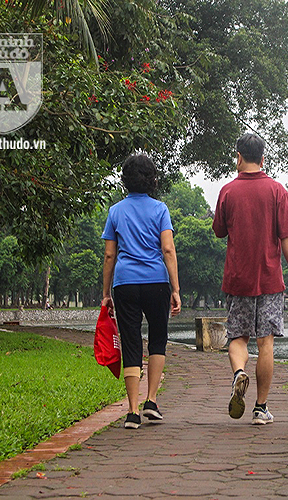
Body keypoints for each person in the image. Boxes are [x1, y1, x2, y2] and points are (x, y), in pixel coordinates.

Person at [212, 133, 288, 425]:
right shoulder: (277, 191)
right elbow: (286, 236)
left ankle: (239, 373)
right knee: (266, 344)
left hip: (238, 279)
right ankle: (260, 409)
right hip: (270, 280)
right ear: (263, 158)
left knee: (237, 337)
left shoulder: (227, 191)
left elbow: (219, 231)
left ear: (238, 156)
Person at [102, 153, 181, 429]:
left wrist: (106, 293)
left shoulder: (115, 211)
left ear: (125, 181)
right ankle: (152, 401)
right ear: (152, 180)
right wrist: (176, 289)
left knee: (131, 342)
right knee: (158, 339)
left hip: (125, 284)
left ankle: (133, 412)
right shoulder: (160, 209)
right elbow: (168, 249)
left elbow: (110, 256)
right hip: (156, 282)